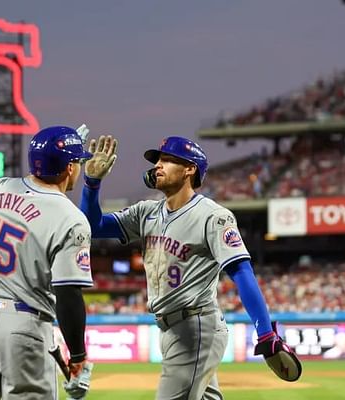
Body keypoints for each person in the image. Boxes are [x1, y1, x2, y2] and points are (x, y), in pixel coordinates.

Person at [80, 136, 301, 399]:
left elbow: (241, 272)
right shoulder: (146, 213)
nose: (158, 165)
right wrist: (92, 184)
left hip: (195, 327)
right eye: (158, 160)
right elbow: (92, 227)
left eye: (168, 159)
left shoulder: (213, 216)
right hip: (171, 329)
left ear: (190, 169)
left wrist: (265, 333)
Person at [0, 125, 106, 400]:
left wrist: (55, 152)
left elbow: (30, 182)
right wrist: (78, 354)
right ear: (70, 167)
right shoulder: (71, 218)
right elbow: (68, 294)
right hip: (24, 327)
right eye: (77, 162)